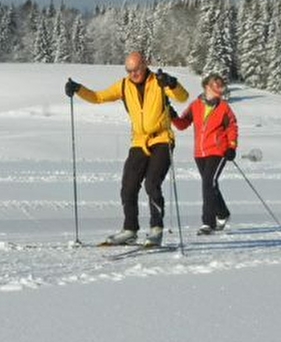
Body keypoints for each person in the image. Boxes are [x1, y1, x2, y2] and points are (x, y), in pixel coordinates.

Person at [65, 51, 190, 245]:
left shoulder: (159, 82)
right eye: (129, 70)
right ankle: (130, 229)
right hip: (139, 141)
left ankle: (156, 229)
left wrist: (172, 83)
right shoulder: (123, 85)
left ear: (145, 64)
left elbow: (183, 97)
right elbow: (98, 97)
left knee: (151, 183)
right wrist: (78, 89)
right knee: (128, 186)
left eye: (137, 69)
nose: (133, 74)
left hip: (162, 139)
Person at [171, 73, 239, 235]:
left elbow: (232, 127)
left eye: (221, 85)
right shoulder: (195, 105)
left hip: (219, 150)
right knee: (210, 184)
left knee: (208, 182)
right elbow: (182, 124)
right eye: (216, 84)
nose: (220, 87)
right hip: (200, 153)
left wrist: (232, 147)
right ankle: (222, 213)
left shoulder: (224, 107)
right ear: (206, 86)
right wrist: (171, 115)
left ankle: (208, 223)